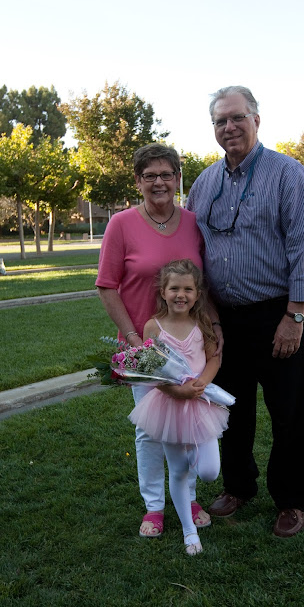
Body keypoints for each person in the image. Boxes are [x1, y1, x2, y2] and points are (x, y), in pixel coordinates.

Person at [186, 86, 304, 538]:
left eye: (237, 117)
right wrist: (206, 319)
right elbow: (194, 249)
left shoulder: (288, 174)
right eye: (220, 121)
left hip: (277, 314)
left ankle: (291, 499)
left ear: (256, 120)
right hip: (224, 318)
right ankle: (238, 486)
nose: (229, 127)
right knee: (231, 410)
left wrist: (295, 316)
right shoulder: (204, 183)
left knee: (288, 412)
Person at [95, 143, 211, 538]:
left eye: (165, 174)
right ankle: (154, 507)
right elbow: (106, 285)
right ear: (138, 181)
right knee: (149, 430)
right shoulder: (121, 224)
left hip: (188, 342)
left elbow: (204, 282)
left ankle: (188, 497)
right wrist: (132, 339)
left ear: (178, 178)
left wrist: (211, 329)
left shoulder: (194, 222)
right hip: (145, 348)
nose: (158, 182)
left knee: (188, 424)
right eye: (149, 176)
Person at [128, 259, 228, 555]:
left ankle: (187, 466)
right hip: (168, 406)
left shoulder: (202, 322)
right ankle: (189, 532)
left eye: (187, 289)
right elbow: (150, 371)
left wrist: (200, 384)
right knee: (178, 471)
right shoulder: (153, 326)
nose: (180, 295)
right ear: (163, 292)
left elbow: (213, 358)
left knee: (209, 471)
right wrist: (177, 390)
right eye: (174, 288)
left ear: (197, 294)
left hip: (200, 404)